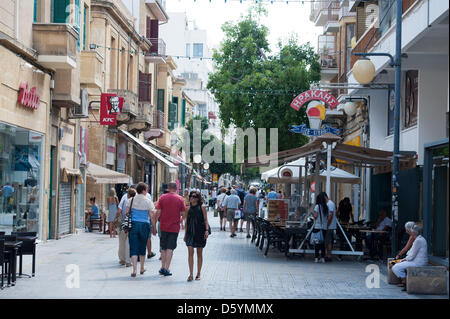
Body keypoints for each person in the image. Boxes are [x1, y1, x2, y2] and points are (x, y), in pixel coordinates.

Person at [155, 182, 186, 276]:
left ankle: (162, 267)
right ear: (176, 188)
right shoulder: (180, 199)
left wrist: (154, 223)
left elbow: (158, 212)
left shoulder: (162, 197)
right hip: (174, 227)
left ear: (168, 188)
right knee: (170, 248)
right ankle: (167, 268)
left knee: (163, 248)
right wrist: (180, 220)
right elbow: (183, 213)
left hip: (163, 226)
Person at [126, 182, 156, 277]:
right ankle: (142, 268)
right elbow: (151, 216)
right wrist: (154, 227)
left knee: (133, 247)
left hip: (134, 225)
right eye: (147, 189)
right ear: (143, 190)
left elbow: (127, 212)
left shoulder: (131, 200)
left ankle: (134, 270)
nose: (147, 191)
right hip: (144, 225)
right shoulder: (148, 201)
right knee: (142, 246)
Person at [392, 225, 428, 291]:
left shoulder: (418, 241)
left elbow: (411, 256)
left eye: (411, 231)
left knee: (395, 267)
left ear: (413, 232)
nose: (409, 232)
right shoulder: (419, 239)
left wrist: (403, 260)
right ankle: (404, 282)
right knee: (395, 264)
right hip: (415, 261)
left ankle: (405, 283)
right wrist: (404, 259)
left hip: (417, 263)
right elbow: (411, 253)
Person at [184, 190, 209, 281]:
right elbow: (186, 221)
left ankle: (198, 273)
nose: (191, 198)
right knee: (190, 253)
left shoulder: (202, 207)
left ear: (198, 198)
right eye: (191, 196)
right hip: (190, 232)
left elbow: (206, 220)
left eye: (194, 196)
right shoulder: (187, 208)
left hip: (200, 231)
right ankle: (191, 274)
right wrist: (185, 234)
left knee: (199, 253)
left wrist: (206, 230)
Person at [115, 187, 136, 267]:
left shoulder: (124, 197)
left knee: (121, 242)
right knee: (129, 242)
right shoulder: (136, 201)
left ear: (128, 194)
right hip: (132, 223)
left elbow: (119, 211)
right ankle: (128, 261)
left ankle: (122, 259)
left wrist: (116, 220)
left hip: (123, 223)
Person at [313, 192, 329, 263]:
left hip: (317, 227)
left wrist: (314, 216)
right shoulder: (326, 207)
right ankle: (323, 257)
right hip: (324, 228)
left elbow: (315, 216)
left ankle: (316, 257)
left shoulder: (317, 206)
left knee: (317, 243)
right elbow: (327, 217)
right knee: (322, 243)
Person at [323, 193, 336, 261]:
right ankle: (328, 255)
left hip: (329, 226)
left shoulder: (330, 204)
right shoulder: (329, 203)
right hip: (329, 225)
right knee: (329, 241)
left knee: (327, 241)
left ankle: (328, 255)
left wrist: (327, 225)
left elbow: (331, 215)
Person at [145, 184, 156, 259]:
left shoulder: (135, 196)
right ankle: (149, 252)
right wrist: (153, 224)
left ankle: (139, 253)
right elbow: (151, 210)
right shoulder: (148, 196)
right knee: (148, 237)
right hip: (146, 220)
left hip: (136, 220)